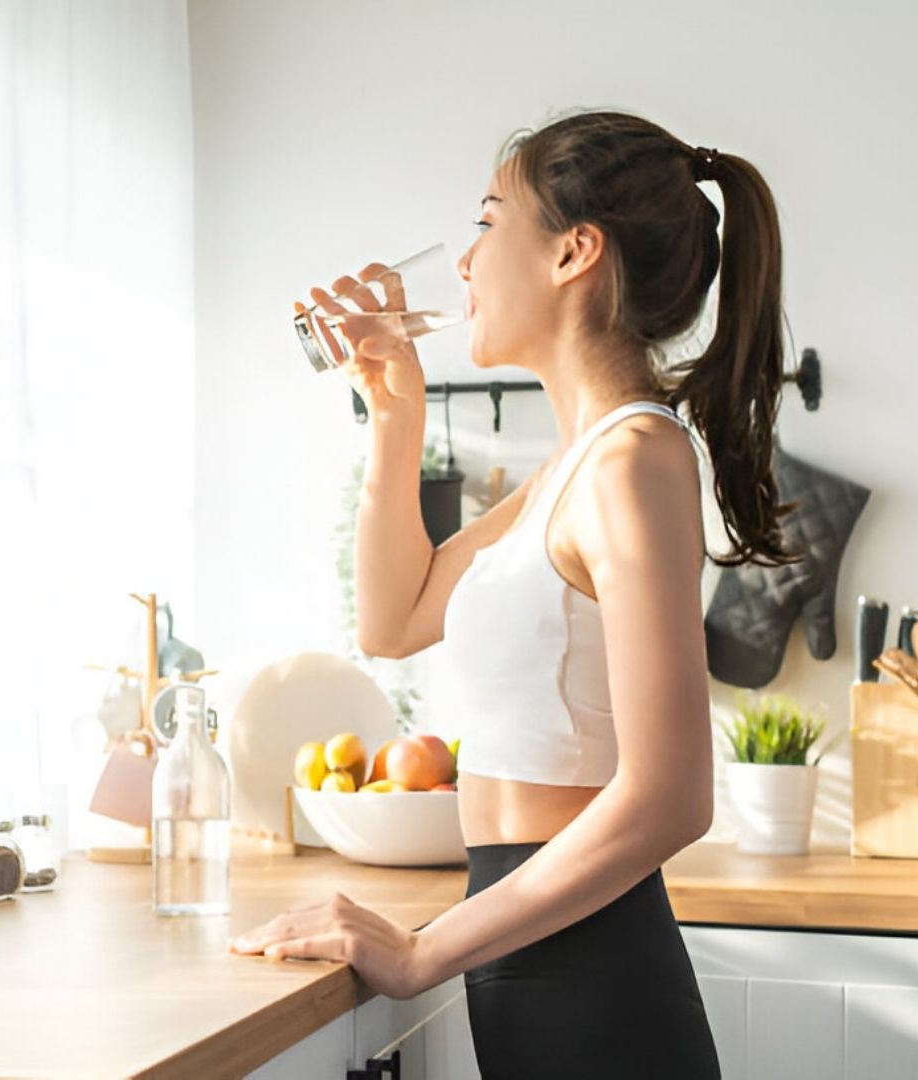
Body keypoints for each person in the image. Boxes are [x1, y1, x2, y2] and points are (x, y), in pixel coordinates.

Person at [229, 107, 798, 1078]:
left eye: (489, 222)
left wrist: (419, 952)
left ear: (575, 251)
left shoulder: (635, 458)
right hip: (538, 962)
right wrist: (395, 419)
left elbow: (671, 798)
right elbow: (396, 619)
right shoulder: (570, 470)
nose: (462, 262)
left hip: (596, 983)